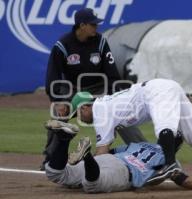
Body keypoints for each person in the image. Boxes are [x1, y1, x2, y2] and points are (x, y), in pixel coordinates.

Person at [70, 79, 192, 183]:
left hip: (156, 91)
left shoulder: (99, 110)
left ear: (85, 107)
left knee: (164, 128)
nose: (79, 118)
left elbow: (102, 151)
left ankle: (170, 166)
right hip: (167, 87)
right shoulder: (105, 106)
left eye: (78, 113)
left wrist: (83, 171)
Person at [42, 8, 146, 170]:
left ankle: (144, 152)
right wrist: (58, 101)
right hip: (75, 91)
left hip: (99, 88)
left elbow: (112, 75)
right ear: (81, 25)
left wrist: (117, 99)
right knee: (58, 115)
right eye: (92, 24)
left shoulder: (101, 42)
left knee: (120, 112)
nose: (96, 27)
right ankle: (50, 158)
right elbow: (53, 77)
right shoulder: (62, 45)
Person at [44, 120, 192, 193]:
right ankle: (87, 157)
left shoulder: (142, 145)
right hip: (123, 173)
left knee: (57, 174)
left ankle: (63, 139)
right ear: (177, 146)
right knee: (92, 186)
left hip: (108, 160)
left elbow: (110, 153)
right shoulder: (171, 161)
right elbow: (180, 179)